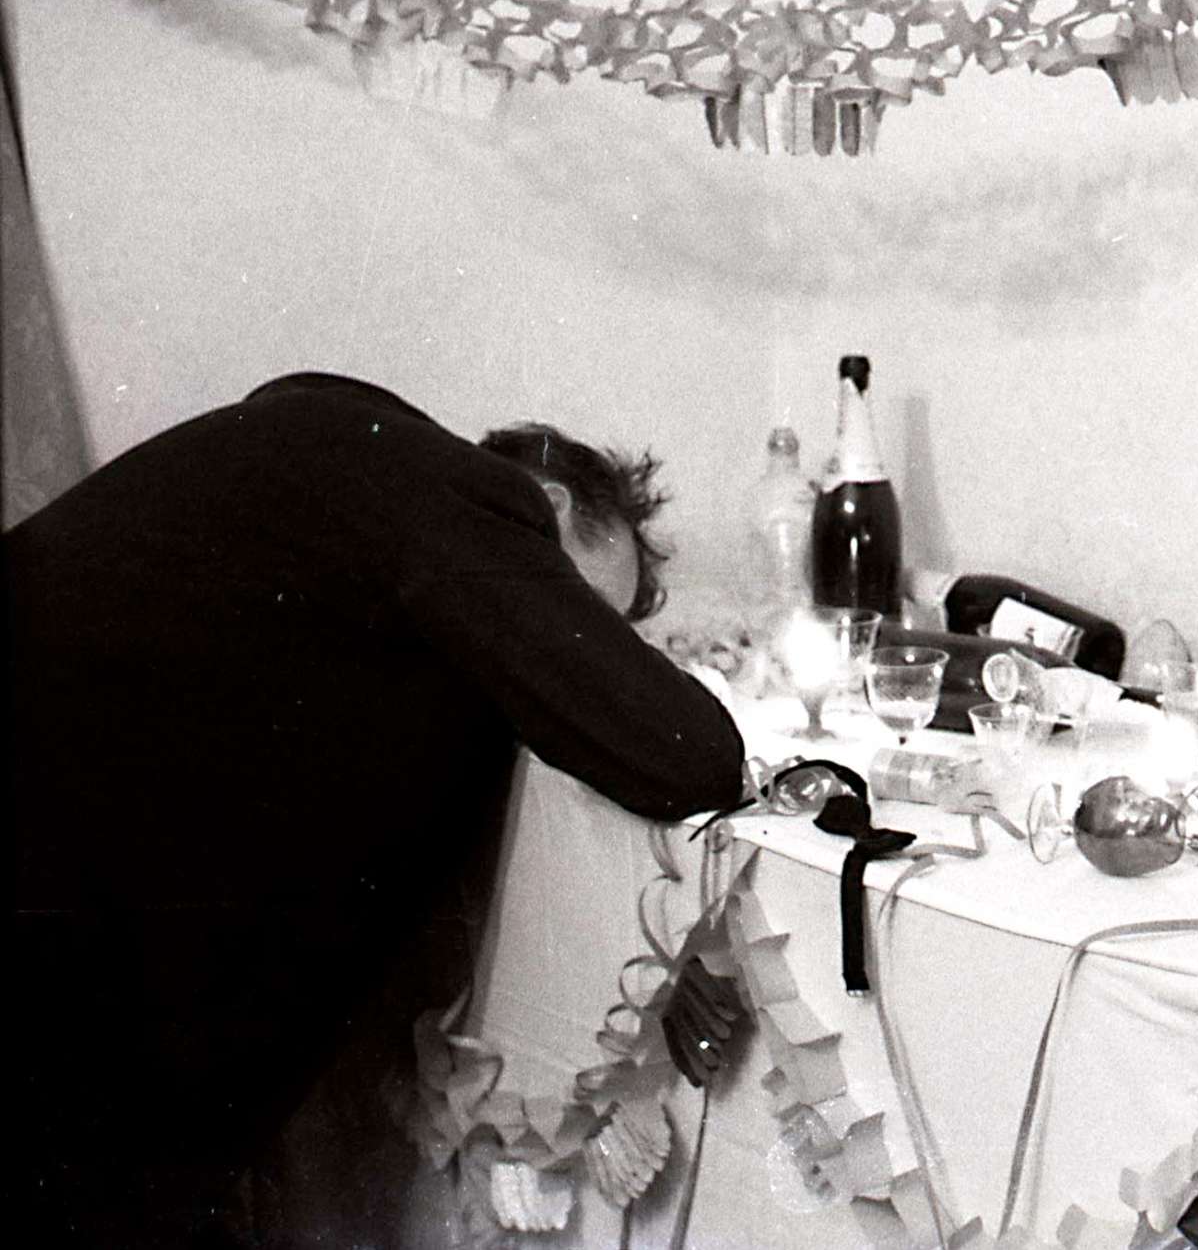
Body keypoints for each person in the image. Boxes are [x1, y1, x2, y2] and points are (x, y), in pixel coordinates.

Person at [5, 372, 746, 1247]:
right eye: (585, 615)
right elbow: (690, 753)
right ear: (544, 507)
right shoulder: (454, 493)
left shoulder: (334, 481)